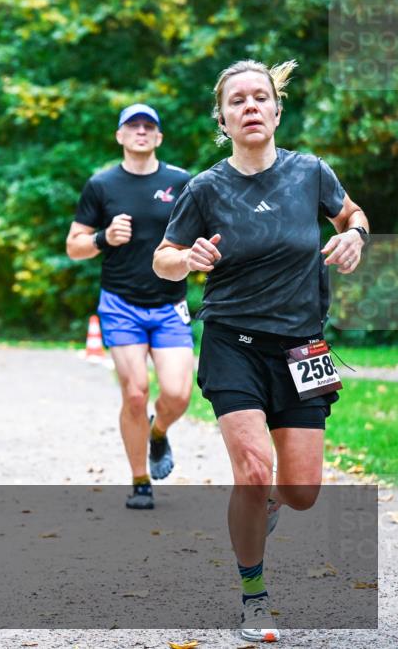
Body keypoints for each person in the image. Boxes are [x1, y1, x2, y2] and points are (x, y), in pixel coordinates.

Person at [152, 59, 369, 643]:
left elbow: (352, 214)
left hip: (304, 346)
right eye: (237, 101)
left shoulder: (311, 173)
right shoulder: (205, 188)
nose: (250, 107)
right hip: (233, 343)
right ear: (222, 118)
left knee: (301, 492)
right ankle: (255, 597)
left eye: (260, 98)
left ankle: (270, 502)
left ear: (276, 110)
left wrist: (353, 235)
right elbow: (163, 257)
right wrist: (186, 259)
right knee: (252, 470)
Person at [65, 103, 195, 511]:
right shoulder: (101, 185)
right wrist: (104, 238)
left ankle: (159, 434)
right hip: (121, 304)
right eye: (132, 126)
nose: (140, 131)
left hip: (170, 303)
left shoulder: (182, 182)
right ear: (120, 136)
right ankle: (140, 480)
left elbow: (201, 235)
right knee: (136, 394)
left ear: (158, 137)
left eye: (148, 126)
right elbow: (74, 246)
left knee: (176, 395)